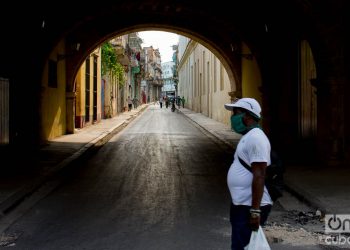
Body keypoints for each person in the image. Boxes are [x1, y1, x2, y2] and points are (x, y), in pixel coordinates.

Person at [224, 97, 273, 250]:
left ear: (248, 116)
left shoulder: (256, 138)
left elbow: (259, 175)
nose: (233, 117)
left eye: (236, 113)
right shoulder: (249, 136)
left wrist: (255, 211)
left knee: (241, 246)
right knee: (241, 245)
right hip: (242, 204)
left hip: (249, 206)